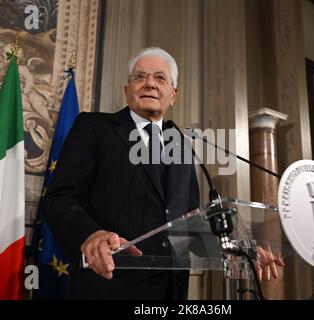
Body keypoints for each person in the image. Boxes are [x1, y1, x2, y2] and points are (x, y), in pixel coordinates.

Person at [44, 47, 281, 300]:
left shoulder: (180, 146)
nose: (149, 84)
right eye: (139, 77)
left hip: (171, 292)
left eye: (160, 78)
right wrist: (92, 234)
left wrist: (234, 250)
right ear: (127, 90)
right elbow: (59, 199)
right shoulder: (93, 127)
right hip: (108, 288)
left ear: (173, 94)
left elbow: (188, 226)